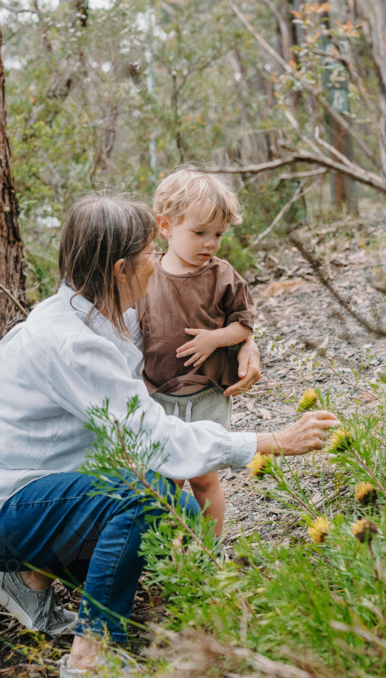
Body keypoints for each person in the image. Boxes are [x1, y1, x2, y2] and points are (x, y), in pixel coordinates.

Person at [0, 194, 338, 678]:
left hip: (33, 498)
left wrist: (244, 342)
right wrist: (269, 441)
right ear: (123, 267)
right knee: (146, 496)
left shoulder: (100, 314)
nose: (159, 262)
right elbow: (153, 437)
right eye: (151, 252)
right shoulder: (70, 343)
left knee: (164, 538)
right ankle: (90, 664)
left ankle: (26, 582)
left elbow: (173, 331)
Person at [139, 168, 253, 535]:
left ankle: (209, 552)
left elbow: (243, 324)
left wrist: (215, 339)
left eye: (218, 234)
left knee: (205, 478)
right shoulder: (147, 276)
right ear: (166, 226)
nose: (211, 243)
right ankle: (170, 559)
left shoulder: (222, 275)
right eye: (199, 232)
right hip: (159, 396)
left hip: (207, 396)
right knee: (166, 483)